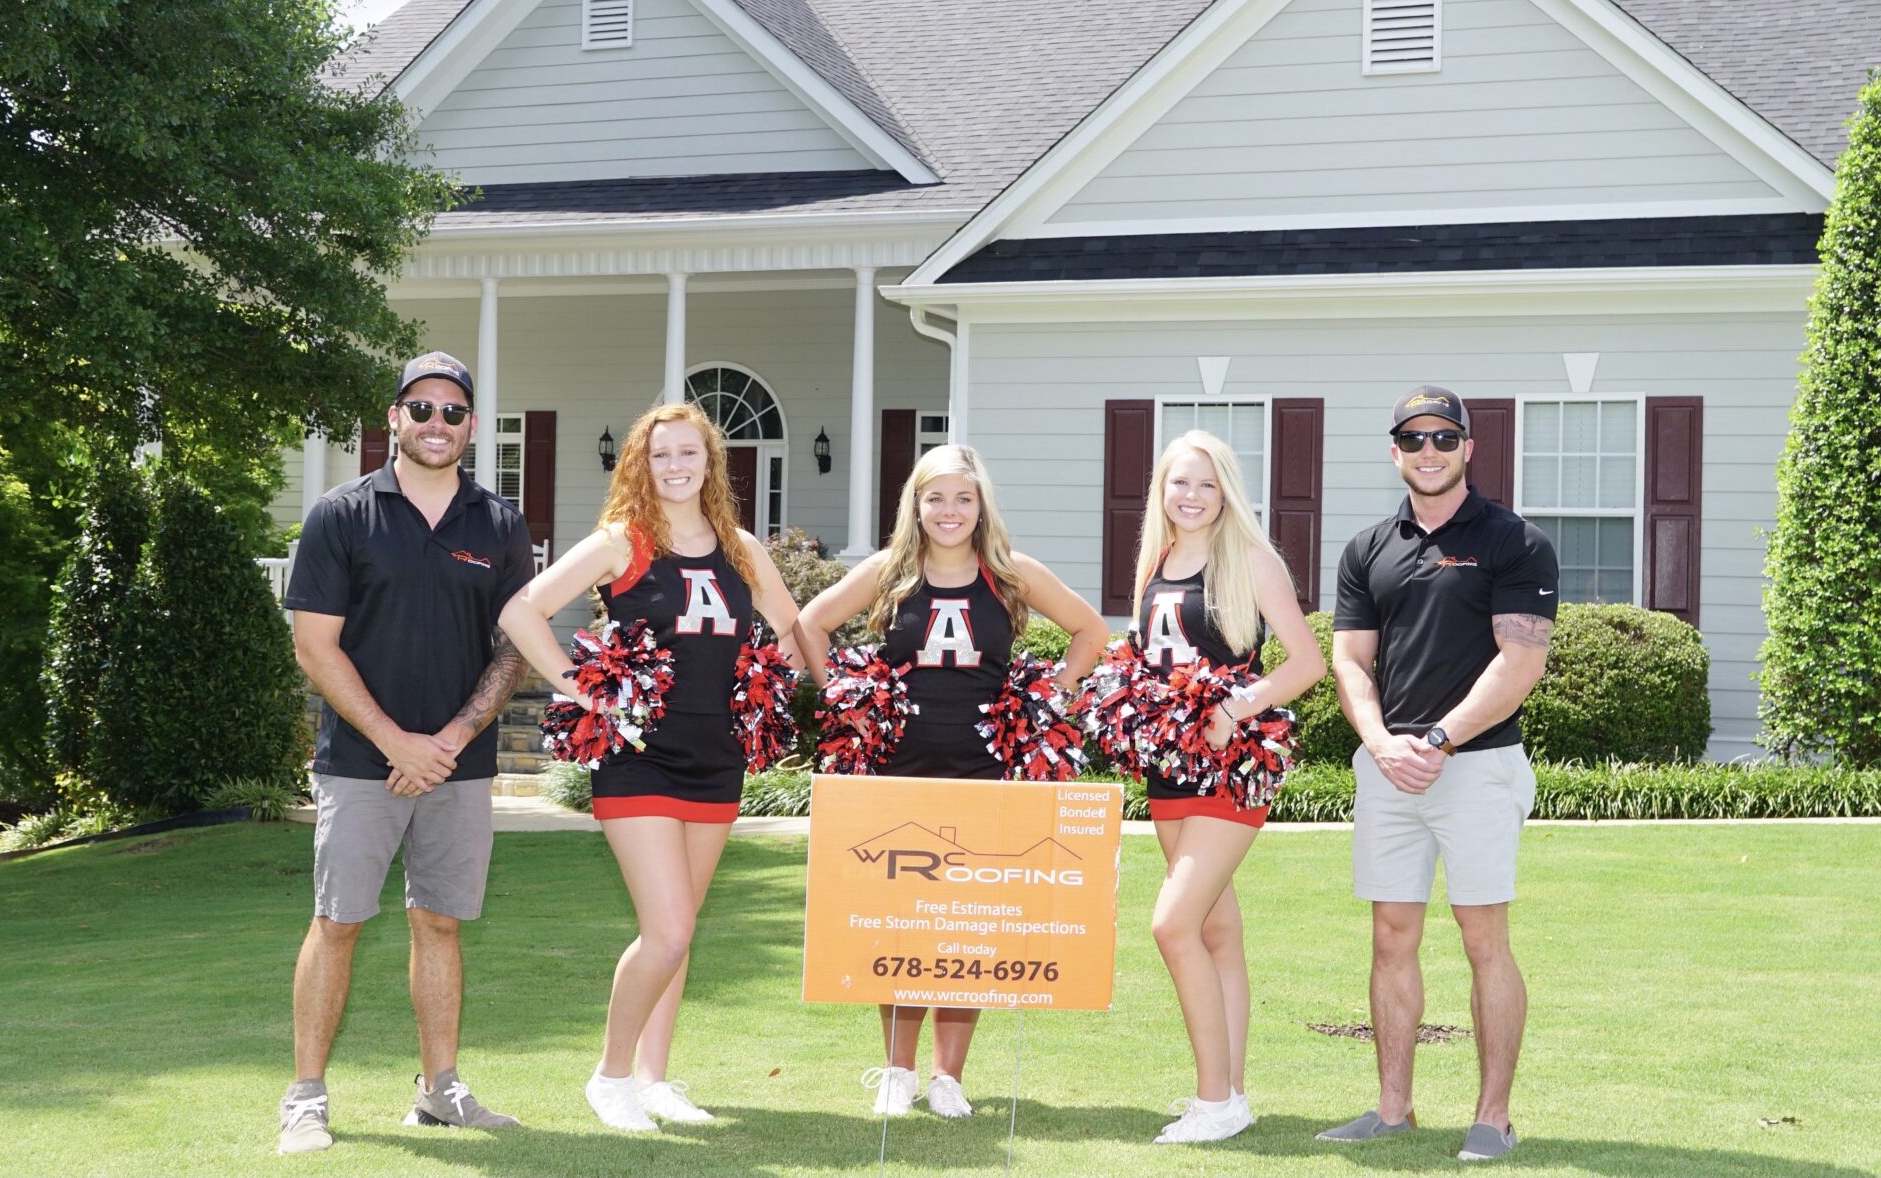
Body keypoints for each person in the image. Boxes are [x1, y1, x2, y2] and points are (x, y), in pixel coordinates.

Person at [496, 401, 811, 1133]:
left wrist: (762, 688)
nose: (675, 467)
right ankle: (610, 1077)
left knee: (683, 928)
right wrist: (580, 685)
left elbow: (789, 626)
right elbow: (521, 611)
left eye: (688, 455)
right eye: (661, 455)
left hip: (715, 759)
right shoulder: (621, 541)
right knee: (665, 930)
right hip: (638, 757)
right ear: (642, 462)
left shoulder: (737, 547)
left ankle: (655, 1080)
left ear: (710, 464)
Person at [796, 444, 1106, 1121]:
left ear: (981, 506)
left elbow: (1090, 630)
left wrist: (1047, 696)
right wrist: (847, 696)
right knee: (900, 928)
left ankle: (948, 1077)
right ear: (916, 504)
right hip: (896, 774)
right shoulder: (889, 570)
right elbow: (809, 623)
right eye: (936, 497)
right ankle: (897, 1071)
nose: (950, 510)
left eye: (963, 498)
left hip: (984, 774)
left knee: (967, 929)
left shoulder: (1010, 573)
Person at [278, 353, 537, 1155]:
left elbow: (511, 649)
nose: (436, 423)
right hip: (361, 765)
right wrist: (396, 742)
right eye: (420, 409)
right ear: (392, 418)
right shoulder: (341, 514)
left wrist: (452, 740)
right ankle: (306, 1098)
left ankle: (439, 1092)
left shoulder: (498, 524)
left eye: (453, 412)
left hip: (459, 764)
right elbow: (314, 648)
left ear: (471, 428)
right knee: (339, 921)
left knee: (440, 925)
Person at [1314, 386, 1555, 1163]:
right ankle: (1393, 1110)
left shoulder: (1513, 542)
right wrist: (1382, 742)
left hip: (1477, 767)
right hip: (1390, 769)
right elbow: (1350, 659)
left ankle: (1493, 1118)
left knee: (1483, 936)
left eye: (1443, 439)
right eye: (1413, 440)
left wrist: (1440, 740)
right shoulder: (1367, 548)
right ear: (1394, 451)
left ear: (1467, 448)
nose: (1428, 452)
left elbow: (1519, 663)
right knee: (1391, 937)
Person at [1129, 431, 1326, 1144]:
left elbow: (1306, 663)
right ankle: (1232, 1094)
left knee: (1172, 923)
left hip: (1231, 762)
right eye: (1180, 483)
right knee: (1215, 929)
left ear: (1227, 493)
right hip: (1169, 766)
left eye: (1206, 485)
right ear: (1162, 489)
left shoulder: (1249, 557)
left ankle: (1213, 1101)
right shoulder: (1157, 557)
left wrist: (1235, 709)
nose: (1191, 496)